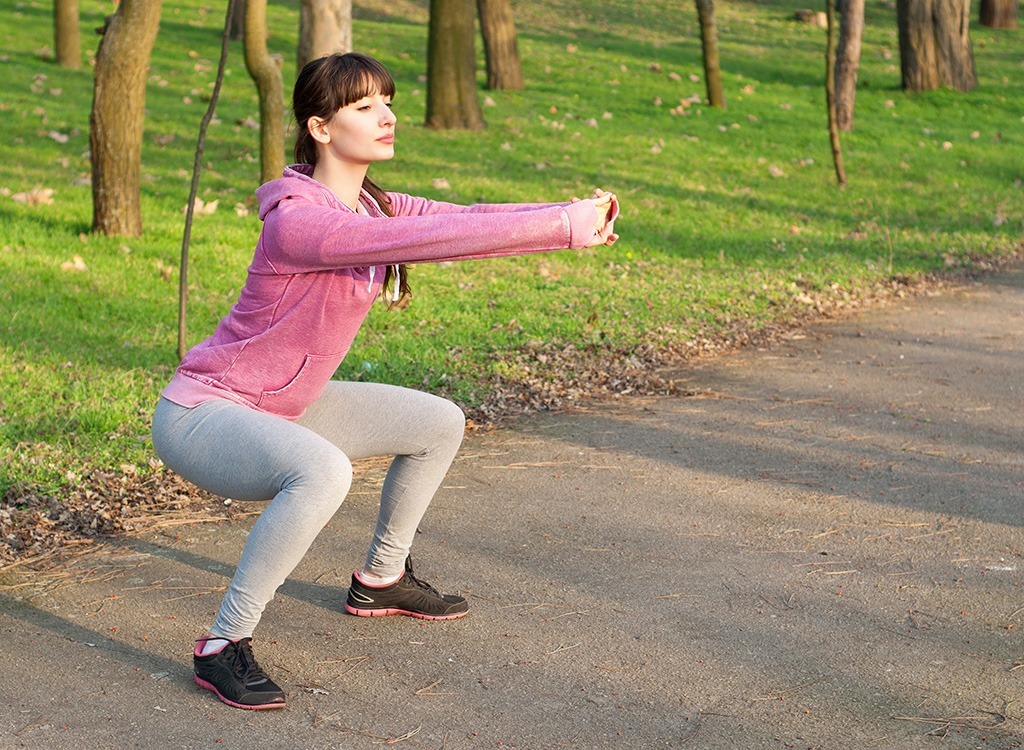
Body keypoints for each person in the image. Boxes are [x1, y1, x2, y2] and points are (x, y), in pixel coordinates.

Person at [150, 51, 619, 711]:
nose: (387, 115)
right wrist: (563, 227)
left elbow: (464, 220)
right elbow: (436, 242)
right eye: (365, 106)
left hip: (282, 406)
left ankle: (380, 578)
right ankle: (222, 645)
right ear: (320, 127)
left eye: (388, 101)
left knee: (437, 422)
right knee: (324, 472)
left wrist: (570, 216)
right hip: (203, 415)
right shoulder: (301, 222)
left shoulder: (374, 206)